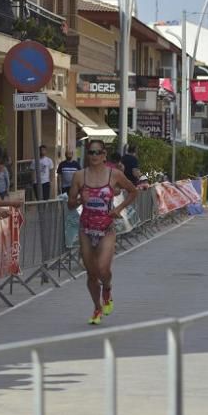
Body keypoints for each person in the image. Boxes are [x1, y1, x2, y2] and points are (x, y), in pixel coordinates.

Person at [68, 139, 138, 326]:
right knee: (91, 273)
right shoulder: (79, 176)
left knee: (103, 269)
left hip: (106, 229)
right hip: (86, 229)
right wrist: (80, 200)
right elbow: (70, 203)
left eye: (98, 152)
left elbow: (133, 191)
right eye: (91, 152)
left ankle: (107, 289)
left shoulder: (114, 175)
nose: (94, 156)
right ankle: (97, 308)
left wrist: (119, 209)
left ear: (104, 155)